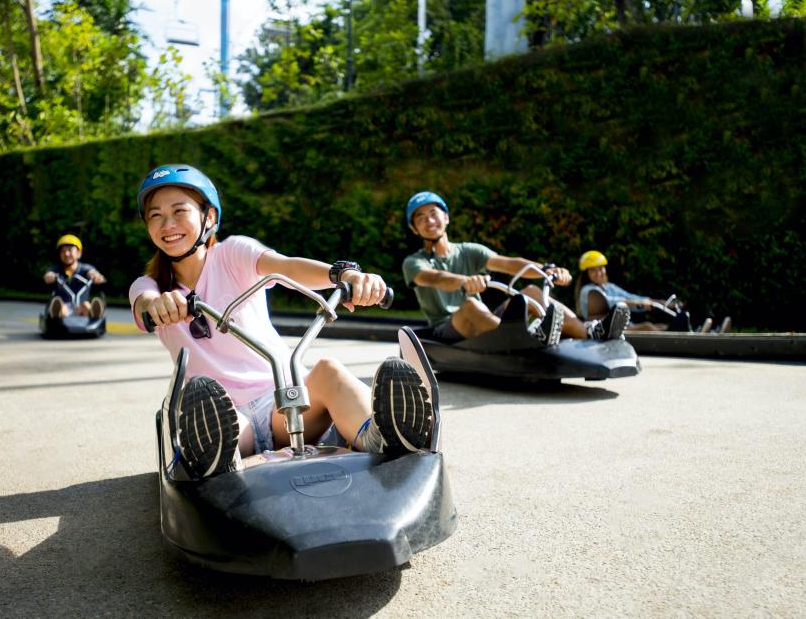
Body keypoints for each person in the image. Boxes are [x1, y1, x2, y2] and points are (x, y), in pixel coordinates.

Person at [129, 164, 436, 478]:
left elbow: (287, 268)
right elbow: (144, 305)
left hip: (284, 404)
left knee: (328, 370)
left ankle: (380, 438)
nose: (167, 224)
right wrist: (160, 305)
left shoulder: (232, 253)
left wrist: (344, 275)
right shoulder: (149, 286)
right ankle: (220, 468)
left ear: (208, 217)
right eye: (155, 215)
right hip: (228, 414)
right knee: (209, 414)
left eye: (179, 211)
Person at [402, 191, 630, 344]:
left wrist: (547, 270)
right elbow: (435, 278)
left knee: (531, 292)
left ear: (446, 217)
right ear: (414, 228)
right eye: (420, 218)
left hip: (485, 320)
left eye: (433, 214)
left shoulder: (469, 250)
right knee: (471, 304)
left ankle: (590, 332)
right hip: (447, 328)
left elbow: (510, 264)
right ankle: (526, 340)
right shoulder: (413, 262)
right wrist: (465, 281)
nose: (429, 221)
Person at [575, 250, 730, 333]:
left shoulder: (609, 286)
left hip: (619, 325)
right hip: (602, 328)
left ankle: (698, 334)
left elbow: (630, 296)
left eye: (600, 268)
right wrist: (641, 304)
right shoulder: (588, 291)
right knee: (647, 326)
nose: (598, 273)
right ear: (586, 274)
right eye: (593, 270)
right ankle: (690, 335)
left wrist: (658, 302)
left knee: (661, 326)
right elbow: (612, 302)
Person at [43, 234, 107, 319]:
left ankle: (93, 314)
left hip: (81, 308)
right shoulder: (56, 269)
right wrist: (50, 277)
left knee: (86, 305)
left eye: (70, 250)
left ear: (79, 253)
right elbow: (48, 274)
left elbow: (92, 272)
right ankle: (57, 313)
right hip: (64, 306)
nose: (66, 254)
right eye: (63, 251)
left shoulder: (85, 268)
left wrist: (96, 276)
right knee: (61, 305)